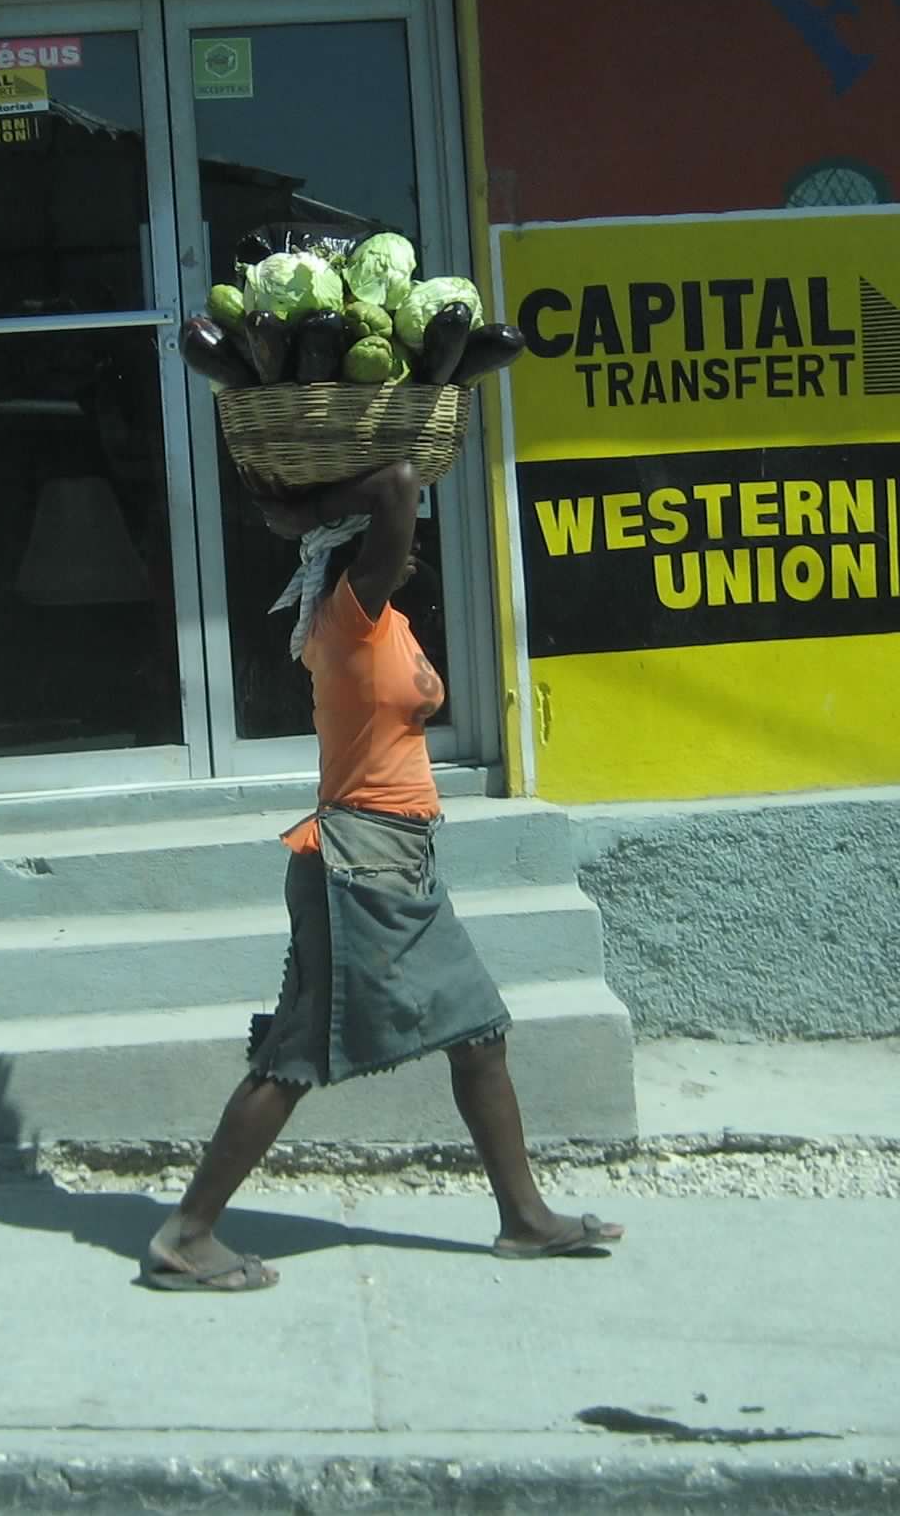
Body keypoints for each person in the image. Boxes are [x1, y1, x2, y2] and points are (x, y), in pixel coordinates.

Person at [142, 460, 624, 1292]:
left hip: (396, 862)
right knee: (296, 1058)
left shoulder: (384, 621)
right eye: (393, 549)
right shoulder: (349, 618)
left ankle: (524, 1219)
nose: (411, 552)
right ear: (359, 553)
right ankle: (188, 1233)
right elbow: (399, 480)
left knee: (478, 1035)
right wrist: (304, 510)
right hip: (358, 872)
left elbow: (397, 508)